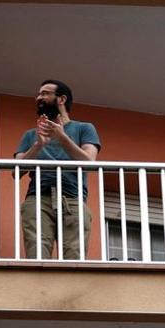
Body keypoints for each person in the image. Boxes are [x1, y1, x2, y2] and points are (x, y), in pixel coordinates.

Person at [14, 80, 101, 260]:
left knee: (74, 257)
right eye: (38, 94)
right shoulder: (31, 135)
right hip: (37, 197)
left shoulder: (84, 128)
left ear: (61, 99)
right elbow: (17, 171)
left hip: (73, 198)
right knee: (36, 255)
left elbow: (89, 161)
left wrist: (62, 138)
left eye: (45, 93)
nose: (39, 97)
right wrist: (38, 145)